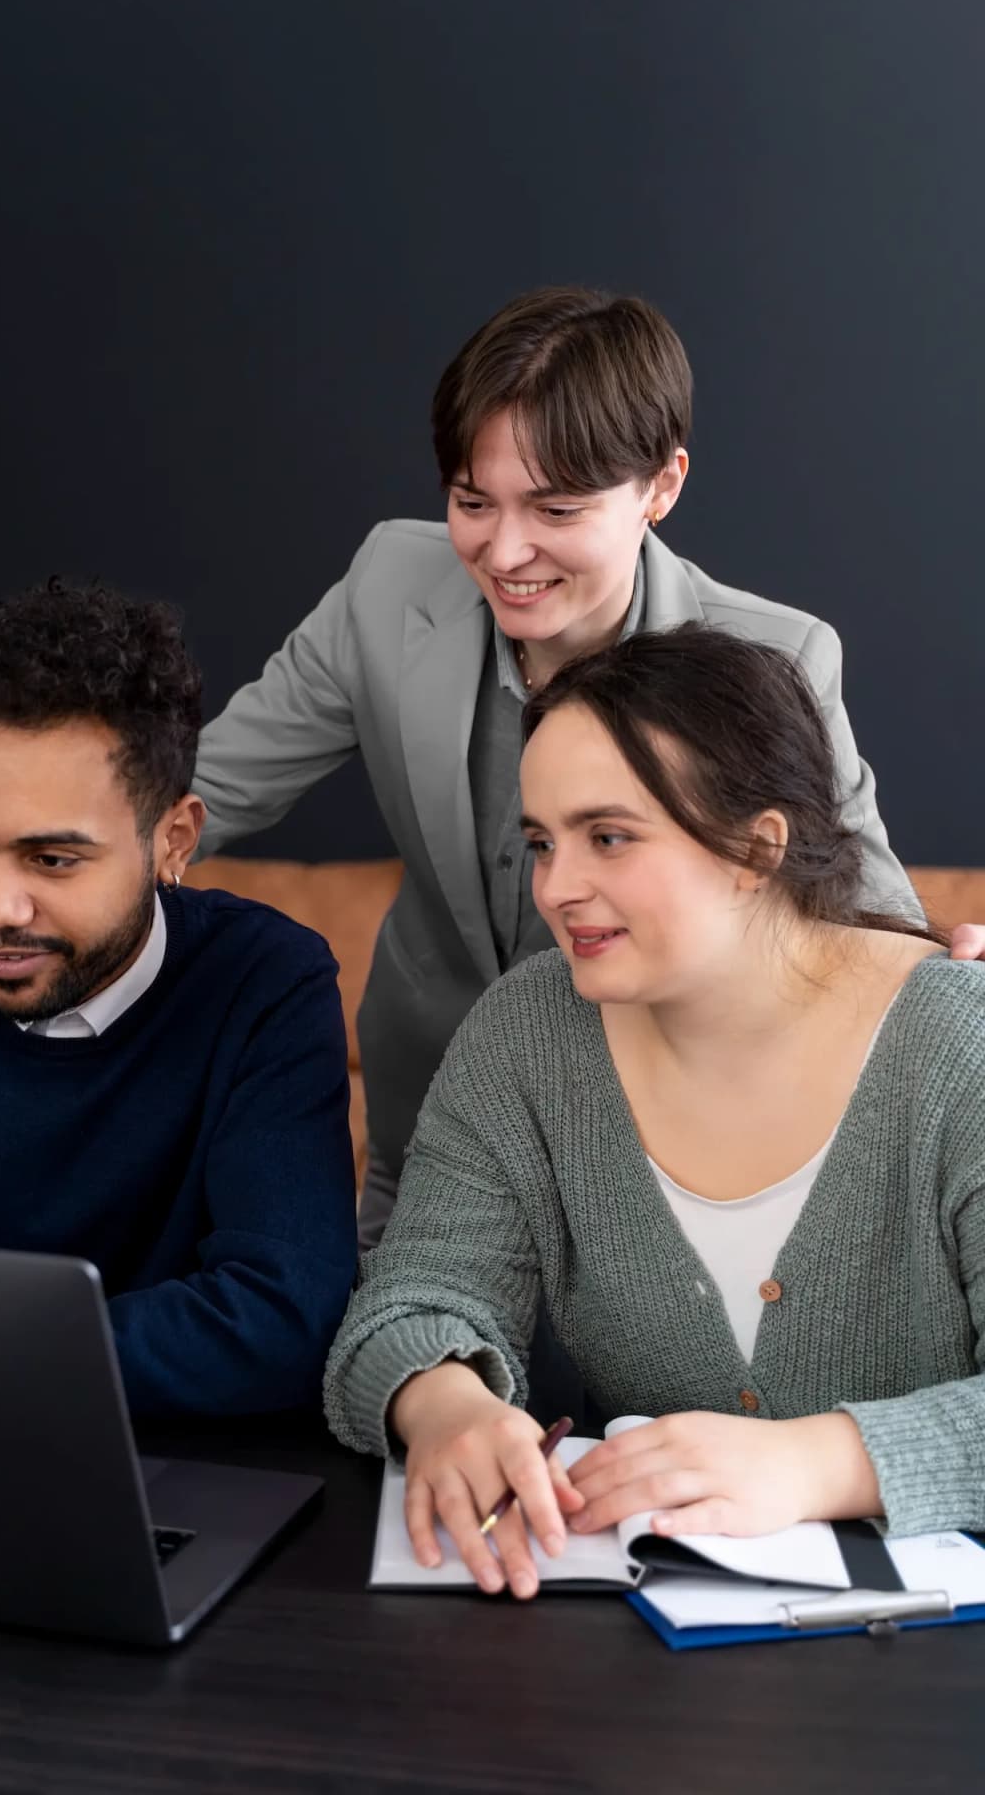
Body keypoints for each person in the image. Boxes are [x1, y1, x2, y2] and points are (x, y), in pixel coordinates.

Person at [0, 289, 983, 1247]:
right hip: (433, 1129)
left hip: (671, 1140)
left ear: (661, 486)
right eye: (473, 500)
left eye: (555, 510)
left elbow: (856, 900)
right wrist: (2, 850)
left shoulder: (773, 656)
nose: (503, 552)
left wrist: (948, 982)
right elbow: (209, 783)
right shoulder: (388, 586)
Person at [323, 623, 985, 1600]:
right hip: (639, 1669)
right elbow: (413, 1300)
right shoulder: (524, 1034)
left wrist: (817, 1463)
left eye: (610, 837)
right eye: (542, 842)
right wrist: (446, 1405)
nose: (556, 888)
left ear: (757, 849)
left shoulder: (959, 1046)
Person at [0, 583, 357, 1419]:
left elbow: (282, 1318)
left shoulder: (264, 984)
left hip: (161, 1481)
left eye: (51, 859)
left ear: (174, 839)